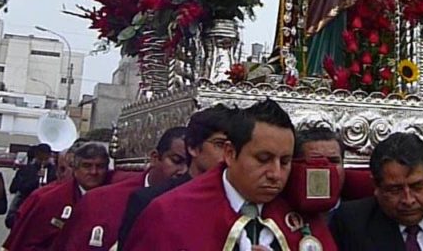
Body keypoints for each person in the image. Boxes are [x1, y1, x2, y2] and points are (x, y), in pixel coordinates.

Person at [124, 99, 337, 251]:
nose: (276, 174)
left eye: (285, 161)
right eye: (263, 159)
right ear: (230, 153)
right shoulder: (170, 213)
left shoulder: (303, 215)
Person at [53, 127, 187, 251]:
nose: (184, 171)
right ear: (155, 158)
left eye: (192, 165)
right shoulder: (100, 201)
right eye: (176, 161)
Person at [118, 105, 234, 248]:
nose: (229, 153)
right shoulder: (149, 200)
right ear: (192, 147)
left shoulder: (239, 201)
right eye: (220, 144)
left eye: (235, 146)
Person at [3, 141, 114, 251]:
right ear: (75, 168)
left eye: (100, 166)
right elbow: (27, 242)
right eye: (87, 166)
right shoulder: (46, 199)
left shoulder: (116, 201)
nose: (93, 172)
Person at [295, 127, 346, 221]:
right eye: (316, 161)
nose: (328, 170)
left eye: (333, 161)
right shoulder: (278, 215)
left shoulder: (360, 216)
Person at [6, 143, 58, 228]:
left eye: (45, 159)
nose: (43, 162)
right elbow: (13, 188)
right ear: (36, 155)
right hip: (25, 208)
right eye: (41, 159)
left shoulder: (54, 171)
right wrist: (36, 180)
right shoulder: (26, 170)